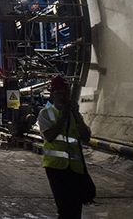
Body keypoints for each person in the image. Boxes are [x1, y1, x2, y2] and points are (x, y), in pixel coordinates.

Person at [38, 75, 92, 219]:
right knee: (64, 208)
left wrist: (76, 115)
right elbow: (49, 136)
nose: (63, 96)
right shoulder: (46, 113)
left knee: (75, 209)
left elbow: (86, 137)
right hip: (56, 168)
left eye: (66, 93)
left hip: (75, 167)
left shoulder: (74, 115)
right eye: (60, 93)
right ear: (53, 94)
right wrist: (63, 116)